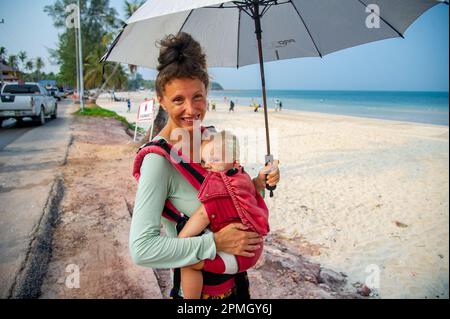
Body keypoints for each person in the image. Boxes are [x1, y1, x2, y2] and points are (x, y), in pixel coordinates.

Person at [130, 32, 280, 299]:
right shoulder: (158, 160)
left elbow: (233, 189)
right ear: (160, 100)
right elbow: (142, 248)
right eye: (178, 99)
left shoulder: (212, 137)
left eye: (197, 97)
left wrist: (260, 180)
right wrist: (215, 243)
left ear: (206, 93)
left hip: (237, 285)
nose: (191, 109)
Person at [178, 130, 269, 299]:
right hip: (252, 249)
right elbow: (250, 194)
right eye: (205, 161)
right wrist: (258, 182)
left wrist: (182, 239)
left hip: (238, 256)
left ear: (234, 161)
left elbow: (202, 215)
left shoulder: (219, 186)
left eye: (215, 159)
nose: (208, 165)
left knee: (188, 262)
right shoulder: (241, 176)